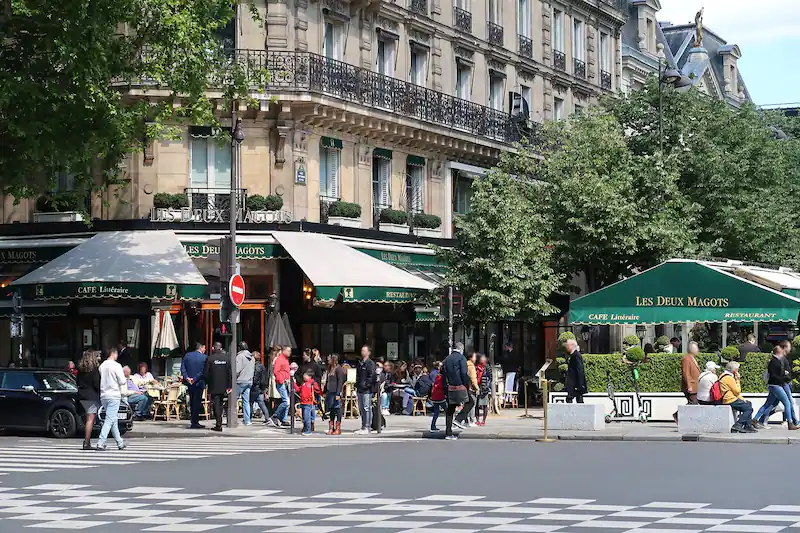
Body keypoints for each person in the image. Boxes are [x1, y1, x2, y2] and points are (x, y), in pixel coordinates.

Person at [753, 345, 798, 430]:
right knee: (787, 403)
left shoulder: (773, 361)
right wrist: (784, 377)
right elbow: (774, 375)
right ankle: (790, 423)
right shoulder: (775, 362)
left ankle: (755, 419)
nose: (783, 354)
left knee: (768, 404)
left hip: (773, 385)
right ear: (778, 353)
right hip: (776, 385)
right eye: (781, 352)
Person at [97, 348, 127, 451]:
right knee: (110, 419)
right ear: (113, 353)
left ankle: (120, 442)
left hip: (104, 395)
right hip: (114, 394)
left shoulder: (102, 366)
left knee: (113, 419)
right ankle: (101, 442)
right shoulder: (116, 366)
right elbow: (122, 381)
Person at [442, 342, 470, 440]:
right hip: (460, 386)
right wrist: (467, 384)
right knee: (470, 401)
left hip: (449, 387)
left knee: (450, 410)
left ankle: (448, 433)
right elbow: (464, 373)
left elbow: (443, 374)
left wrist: (445, 387)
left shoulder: (447, 359)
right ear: (461, 349)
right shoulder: (461, 358)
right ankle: (459, 419)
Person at [719, 361, 756, 433]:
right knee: (749, 409)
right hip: (729, 400)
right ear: (735, 370)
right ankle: (738, 425)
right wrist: (737, 380)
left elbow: (734, 392)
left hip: (731, 398)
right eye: (738, 369)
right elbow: (737, 391)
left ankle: (748, 425)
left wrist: (742, 399)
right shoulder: (728, 378)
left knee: (748, 403)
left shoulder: (724, 376)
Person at [76, 350, 101, 450]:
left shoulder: (80, 370)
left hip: (82, 395)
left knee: (87, 419)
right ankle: (86, 442)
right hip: (91, 396)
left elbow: (77, 381)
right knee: (90, 420)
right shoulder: (94, 370)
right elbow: (96, 384)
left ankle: (87, 441)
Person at [204, 342, 231, 432]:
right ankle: (219, 422)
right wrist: (229, 385)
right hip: (224, 386)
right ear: (221, 348)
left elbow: (206, 374)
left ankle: (218, 424)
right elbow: (229, 373)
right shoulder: (226, 359)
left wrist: (208, 382)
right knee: (220, 404)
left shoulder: (210, 359)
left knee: (216, 404)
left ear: (213, 348)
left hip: (214, 385)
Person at [181, 342, 208, 429]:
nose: (205, 350)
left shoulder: (187, 356)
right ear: (201, 347)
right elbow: (203, 371)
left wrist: (187, 377)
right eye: (204, 348)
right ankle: (195, 421)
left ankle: (193, 420)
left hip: (190, 383)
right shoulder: (204, 358)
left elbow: (183, 368)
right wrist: (195, 379)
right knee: (197, 402)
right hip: (198, 382)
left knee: (192, 402)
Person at [674, 341, 701, 422]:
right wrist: (689, 385)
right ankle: (677, 416)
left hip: (695, 386)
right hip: (691, 386)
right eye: (697, 348)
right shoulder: (686, 359)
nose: (698, 350)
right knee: (693, 402)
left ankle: (681, 417)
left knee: (693, 403)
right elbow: (686, 373)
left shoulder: (692, 358)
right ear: (693, 349)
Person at [355, 345, 376, 434]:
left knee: (367, 407)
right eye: (362, 350)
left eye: (364, 351)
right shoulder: (360, 363)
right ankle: (363, 425)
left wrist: (367, 385)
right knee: (361, 408)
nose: (362, 352)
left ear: (368, 352)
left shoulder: (370, 363)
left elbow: (372, 376)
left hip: (367, 389)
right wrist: (357, 384)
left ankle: (367, 426)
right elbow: (358, 375)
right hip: (360, 388)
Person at [294, 370, 322, 435]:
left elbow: (318, 390)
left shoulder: (312, 383)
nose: (304, 376)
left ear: (309, 376)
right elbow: (298, 389)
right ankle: (306, 428)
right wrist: (294, 384)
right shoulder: (304, 383)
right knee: (304, 417)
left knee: (307, 417)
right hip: (303, 402)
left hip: (309, 403)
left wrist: (319, 395)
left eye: (305, 375)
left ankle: (308, 430)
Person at [324, 354, 346, 435]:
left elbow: (340, 381)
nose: (328, 360)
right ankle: (331, 427)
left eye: (329, 359)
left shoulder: (339, 369)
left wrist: (338, 393)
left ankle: (338, 427)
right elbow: (327, 380)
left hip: (335, 391)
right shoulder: (330, 368)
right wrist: (325, 391)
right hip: (330, 391)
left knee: (337, 409)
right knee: (331, 409)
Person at [235, 341, 255, 426]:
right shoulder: (252, 357)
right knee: (246, 401)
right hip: (249, 381)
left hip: (240, 381)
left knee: (233, 400)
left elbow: (236, 370)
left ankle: (232, 418)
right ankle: (247, 420)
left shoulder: (240, 356)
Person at [271, 346, 291, 427]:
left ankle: (283, 419)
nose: (290, 352)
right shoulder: (280, 359)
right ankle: (275, 416)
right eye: (288, 351)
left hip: (286, 381)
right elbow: (276, 371)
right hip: (282, 382)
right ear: (283, 351)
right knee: (286, 401)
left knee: (287, 401)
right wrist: (281, 380)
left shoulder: (285, 359)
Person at [458, 351, 479, 427]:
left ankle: (466, 420)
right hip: (471, 388)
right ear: (471, 357)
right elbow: (473, 378)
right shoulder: (471, 366)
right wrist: (477, 388)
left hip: (465, 387)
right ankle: (471, 420)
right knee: (472, 403)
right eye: (474, 356)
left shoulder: (465, 364)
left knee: (467, 403)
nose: (476, 358)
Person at [564, 338, 587, 404]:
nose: (566, 347)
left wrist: (580, 384)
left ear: (571, 345)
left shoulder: (576, 355)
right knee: (574, 398)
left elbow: (579, 370)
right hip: (573, 383)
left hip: (575, 383)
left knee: (575, 398)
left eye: (567, 345)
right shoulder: (573, 355)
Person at [251, 351, 271, 424]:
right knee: (261, 403)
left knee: (250, 402)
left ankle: (248, 418)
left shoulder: (255, 366)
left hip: (255, 387)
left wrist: (253, 383)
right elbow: (264, 378)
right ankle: (267, 417)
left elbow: (255, 377)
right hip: (261, 387)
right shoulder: (262, 366)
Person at [475, 354, 492, 426]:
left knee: (485, 405)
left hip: (484, 388)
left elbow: (490, 378)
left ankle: (483, 420)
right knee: (476, 405)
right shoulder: (476, 366)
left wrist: (487, 386)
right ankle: (477, 420)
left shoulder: (487, 367)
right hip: (477, 387)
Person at [430, 363, 445, 432]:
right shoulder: (442, 377)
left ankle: (433, 426)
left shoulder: (437, 376)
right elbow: (443, 386)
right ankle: (450, 425)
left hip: (435, 395)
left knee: (436, 412)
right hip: (440, 396)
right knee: (448, 411)